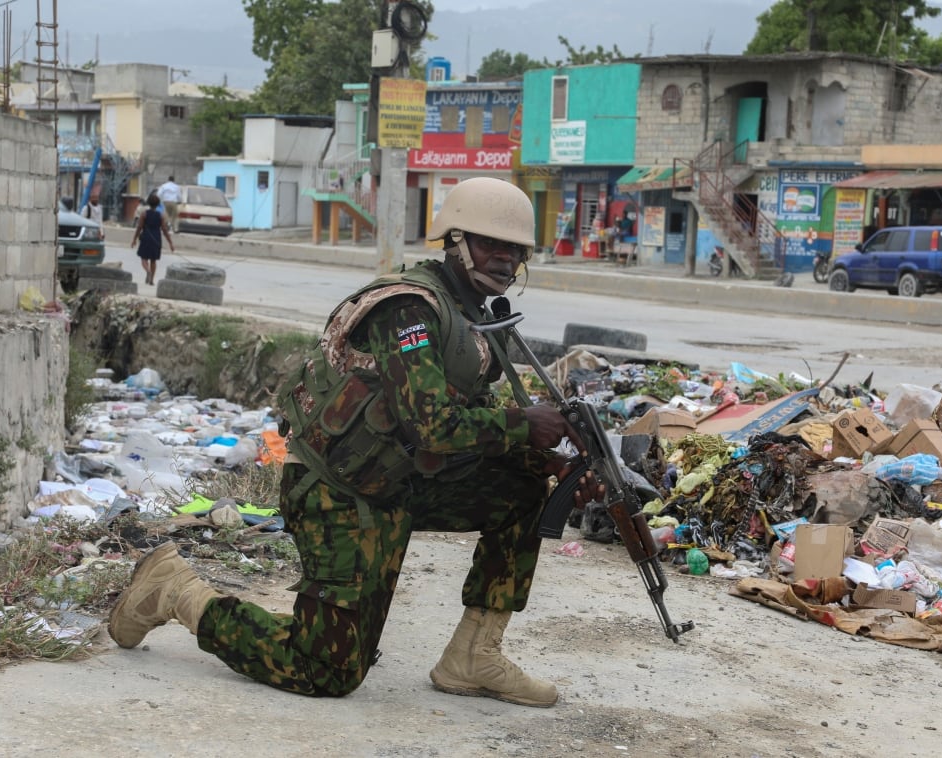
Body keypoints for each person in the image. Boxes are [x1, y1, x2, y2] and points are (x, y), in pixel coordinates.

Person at [108, 177, 601, 707]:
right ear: (455, 243)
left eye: (515, 249)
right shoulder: (408, 310)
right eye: (490, 245)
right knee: (326, 670)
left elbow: (469, 415)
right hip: (337, 491)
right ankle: (176, 591)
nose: (505, 259)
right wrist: (525, 425)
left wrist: (543, 457)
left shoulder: (473, 317)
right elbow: (432, 425)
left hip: (398, 481)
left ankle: (474, 655)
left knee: (524, 487)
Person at [130, 193, 173, 285]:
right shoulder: (160, 216)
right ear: (158, 204)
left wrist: (134, 239)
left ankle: (147, 270)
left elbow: (139, 227)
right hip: (156, 238)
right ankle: (152, 280)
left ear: (148, 203)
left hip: (146, 237)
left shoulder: (144, 214)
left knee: (144, 258)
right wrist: (170, 243)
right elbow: (165, 230)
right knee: (153, 260)